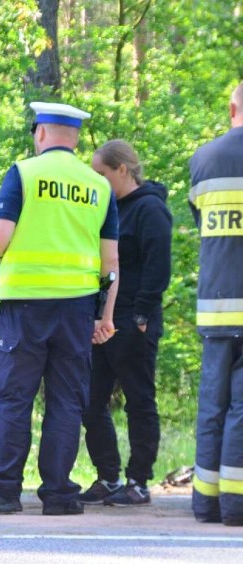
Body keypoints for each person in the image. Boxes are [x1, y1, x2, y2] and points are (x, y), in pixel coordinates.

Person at [0, 102, 119, 516]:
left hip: (25, 305)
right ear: (75, 139)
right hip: (75, 310)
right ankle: (59, 495)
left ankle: (2, 491)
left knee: (15, 397)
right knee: (67, 402)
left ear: (40, 133)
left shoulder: (24, 173)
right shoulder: (98, 186)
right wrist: (104, 317)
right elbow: (111, 263)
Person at [79, 140, 172, 506]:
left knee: (139, 400)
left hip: (135, 320)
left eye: (101, 173)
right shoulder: (104, 211)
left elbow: (158, 266)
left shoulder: (149, 210)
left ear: (122, 170)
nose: (96, 180)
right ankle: (108, 476)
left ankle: (138, 480)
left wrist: (142, 315)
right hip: (101, 320)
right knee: (90, 400)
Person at [188, 80, 243, 527]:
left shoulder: (203, 160)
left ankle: (204, 502)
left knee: (212, 405)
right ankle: (236, 505)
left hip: (215, 307)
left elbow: (201, 221)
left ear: (232, 108)